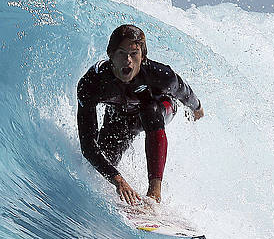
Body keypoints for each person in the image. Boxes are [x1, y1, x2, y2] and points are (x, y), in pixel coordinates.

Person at [77, 24, 204, 205]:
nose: (128, 60)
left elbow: (183, 91)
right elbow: (88, 146)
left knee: (149, 109)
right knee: (105, 160)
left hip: (161, 108)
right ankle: (127, 196)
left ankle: (154, 194)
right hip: (122, 117)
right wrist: (118, 180)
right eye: (121, 53)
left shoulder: (160, 75)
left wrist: (197, 108)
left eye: (134, 54)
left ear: (143, 57)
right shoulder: (92, 83)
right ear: (110, 55)